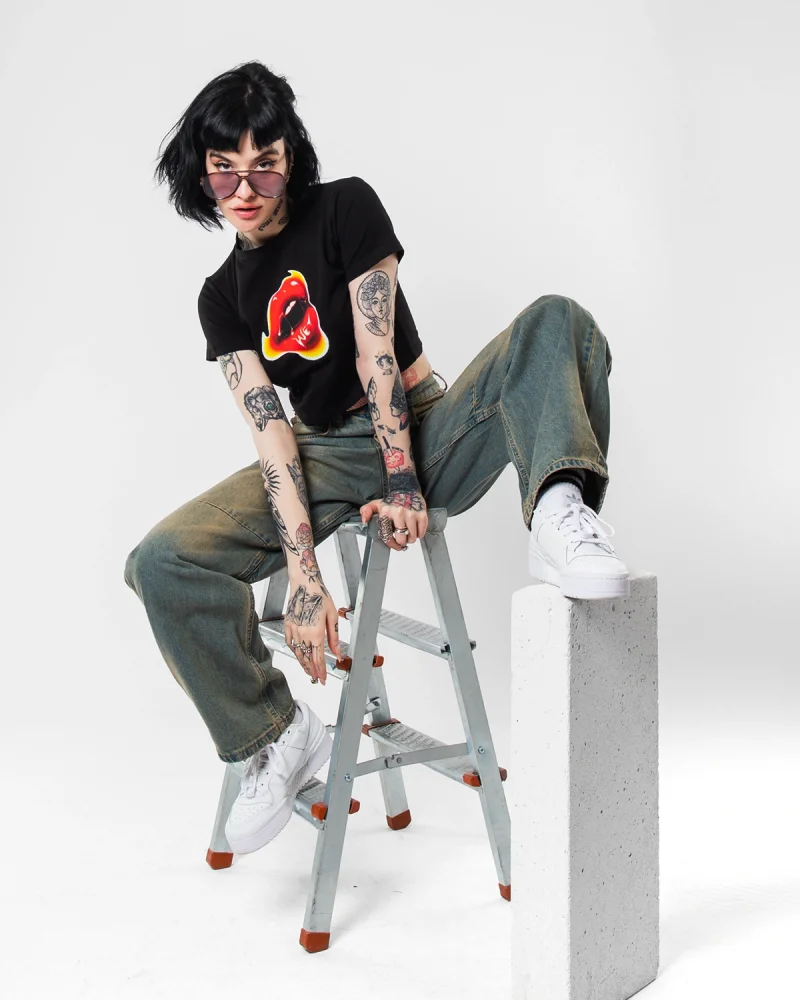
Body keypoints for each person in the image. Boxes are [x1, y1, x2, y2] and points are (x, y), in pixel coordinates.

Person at [124, 60, 629, 855]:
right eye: (225, 170)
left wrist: (404, 482)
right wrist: (305, 578)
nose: (246, 188)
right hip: (322, 453)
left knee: (556, 319)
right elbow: (271, 433)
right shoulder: (221, 297)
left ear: (291, 157)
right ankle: (275, 733)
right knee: (159, 561)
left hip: (427, 425)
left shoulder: (345, 208)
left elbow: (375, 352)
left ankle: (558, 506)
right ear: (201, 173)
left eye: (265, 164)